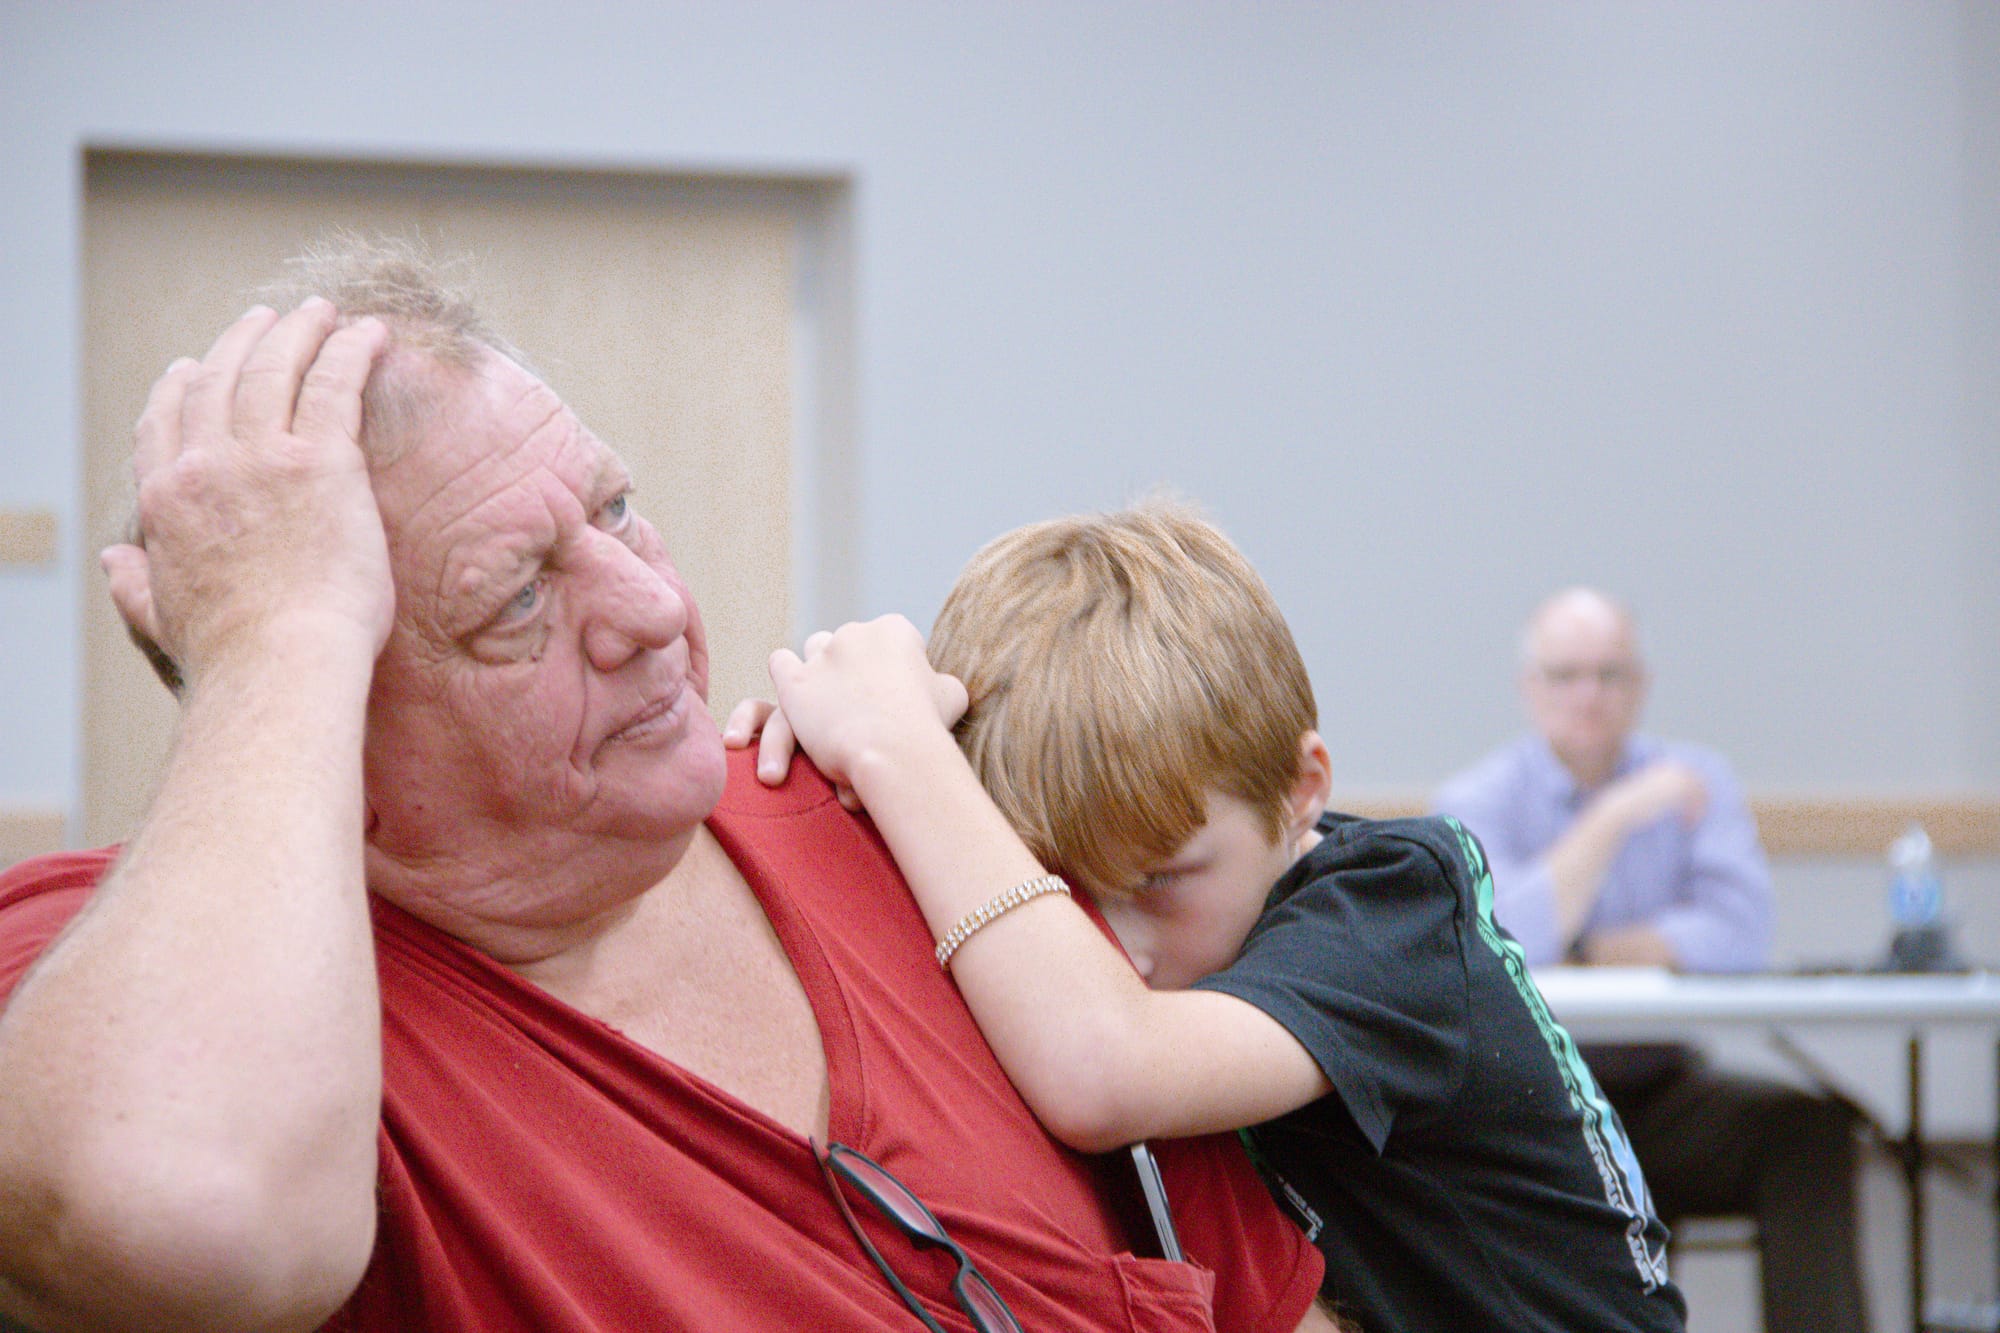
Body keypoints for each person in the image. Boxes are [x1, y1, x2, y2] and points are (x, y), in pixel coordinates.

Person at [0, 237, 1332, 1333]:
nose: (648, 607)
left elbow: (1265, 1296)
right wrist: (267, 638)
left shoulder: (900, 831)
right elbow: (192, 1216)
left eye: (616, 510)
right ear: (325, 720)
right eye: (515, 601)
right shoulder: (103, 980)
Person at [734, 503, 1686, 1333]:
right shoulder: (1206, 905)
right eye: (1061, 887)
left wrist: (901, 751)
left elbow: (1106, 1065)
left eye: (1160, 879)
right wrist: (844, 773)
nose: (1118, 946)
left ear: (1302, 790)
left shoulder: (1399, 906)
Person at [1432, 586, 1868, 1333]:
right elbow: (1505, 937)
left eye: (1610, 674)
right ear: (1529, 687)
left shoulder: (1699, 779)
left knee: (1809, 1131)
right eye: (1566, 675)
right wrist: (1616, 813)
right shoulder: (1475, 799)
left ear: (1641, 686)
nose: (1589, 695)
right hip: (1543, 1103)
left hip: (1665, 1087)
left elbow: (1740, 932)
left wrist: (1592, 947)